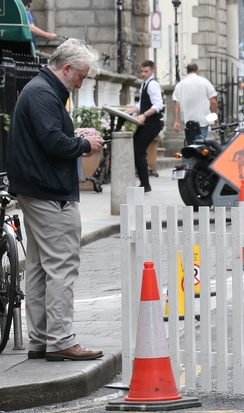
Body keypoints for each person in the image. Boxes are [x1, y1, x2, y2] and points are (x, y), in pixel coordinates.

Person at [7, 38, 104, 361]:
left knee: (38, 267)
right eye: (81, 77)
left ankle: (41, 340)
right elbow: (53, 143)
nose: (81, 83)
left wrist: (76, 136)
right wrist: (85, 145)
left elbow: (46, 137)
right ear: (66, 69)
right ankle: (61, 339)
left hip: (35, 187)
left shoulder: (38, 90)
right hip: (49, 192)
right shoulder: (45, 93)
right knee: (62, 265)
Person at [124, 60, 164, 193]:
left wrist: (144, 116)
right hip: (148, 122)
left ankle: (145, 184)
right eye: (141, 71)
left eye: (146, 71)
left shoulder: (152, 85)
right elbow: (141, 104)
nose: (143, 74)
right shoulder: (144, 85)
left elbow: (158, 105)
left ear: (152, 71)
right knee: (136, 149)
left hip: (153, 123)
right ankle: (144, 183)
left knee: (138, 150)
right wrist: (128, 112)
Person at [172, 63, 218, 138]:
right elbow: (213, 101)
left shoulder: (179, 85)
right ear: (197, 71)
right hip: (202, 121)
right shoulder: (205, 82)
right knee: (201, 146)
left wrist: (176, 121)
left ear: (187, 71)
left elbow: (176, 104)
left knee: (191, 147)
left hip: (188, 122)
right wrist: (215, 116)